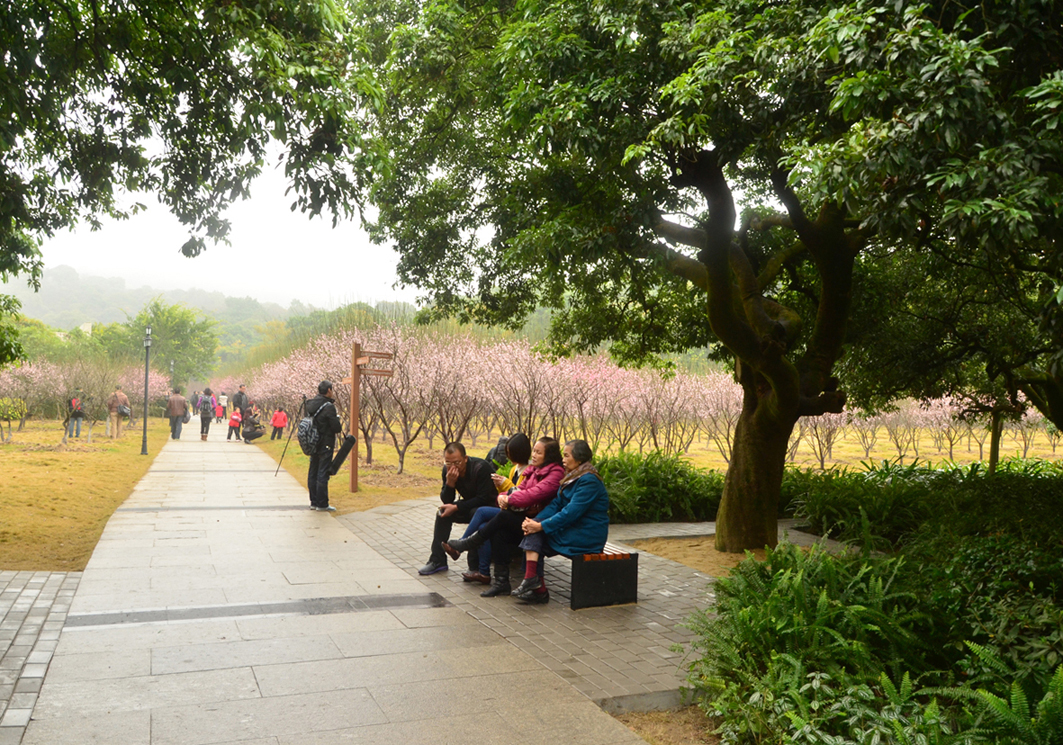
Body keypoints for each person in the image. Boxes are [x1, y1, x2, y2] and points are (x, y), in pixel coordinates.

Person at [442, 437, 564, 596]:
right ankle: (501, 582)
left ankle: (468, 543)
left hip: (540, 522)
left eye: (538, 452)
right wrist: (503, 496)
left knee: (501, 517)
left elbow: (532, 495)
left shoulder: (555, 474)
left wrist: (509, 498)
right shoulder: (534, 471)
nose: (533, 455)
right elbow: (519, 489)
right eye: (533, 450)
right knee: (498, 531)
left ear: (549, 455)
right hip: (526, 516)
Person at [513, 439, 609, 605]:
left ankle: (536, 586)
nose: (562, 459)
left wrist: (541, 525)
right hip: (572, 528)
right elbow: (557, 503)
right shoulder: (573, 476)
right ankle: (534, 584)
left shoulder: (589, 480)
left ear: (579, 459)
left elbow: (571, 512)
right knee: (532, 532)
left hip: (586, 534)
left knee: (537, 534)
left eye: (566, 456)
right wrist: (535, 521)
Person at [442, 432, 531, 584]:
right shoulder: (514, 469)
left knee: (481, 511)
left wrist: (505, 485)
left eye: (509, 452)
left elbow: (520, 495)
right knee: (482, 525)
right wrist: (450, 484)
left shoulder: (529, 471)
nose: (507, 455)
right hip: (507, 510)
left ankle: (460, 546)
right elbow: (446, 500)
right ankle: (483, 573)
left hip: (518, 514)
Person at [418, 442, 497, 575]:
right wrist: (449, 484)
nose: (453, 467)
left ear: (465, 459)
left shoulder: (480, 468)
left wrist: (456, 506)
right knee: (442, 513)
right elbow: (447, 500)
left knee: (474, 512)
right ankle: (437, 560)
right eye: (448, 463)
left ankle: (474, 566)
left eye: (457, 463)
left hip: (488, 509)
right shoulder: (447, 470)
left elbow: (484, 498)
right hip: (468, 505)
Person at [306, 381, 344, 512]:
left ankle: (314, 502)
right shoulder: (328, 406)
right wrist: (337, 420)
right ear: (328, 390)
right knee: (322, 472)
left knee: (313, 471)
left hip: (312, 442)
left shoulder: (310, 404)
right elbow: (336, 428)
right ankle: (322, 504)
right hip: (325, 443)